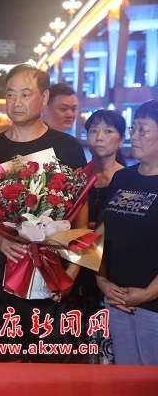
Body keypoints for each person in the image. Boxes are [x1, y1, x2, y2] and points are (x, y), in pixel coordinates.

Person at [0, 64, 88, 363]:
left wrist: (72, 273)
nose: (16, 102)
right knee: (1, 370)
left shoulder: (67, 147)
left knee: (51, 371)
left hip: (52, 279)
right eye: (10, 95)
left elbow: (81, 217)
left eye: (25, 94)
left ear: (44, 97)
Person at [97, 99, 158, 365]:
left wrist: (147, 294)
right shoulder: (122, 178)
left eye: (143, 129)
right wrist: (102, 281)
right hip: (117, 300)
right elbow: (102, 234)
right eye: (134, 128)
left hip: (153, 306)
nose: (135, 135)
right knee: (125, 379)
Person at [69, 109, 125, 364]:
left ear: (121, 139)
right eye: (93, 130)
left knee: (107, 349)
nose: (99, 136)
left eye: (108, 131)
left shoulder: (128, 180)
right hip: (76, 265)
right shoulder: (75, 179)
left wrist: (88, 228)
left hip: (110, 269)